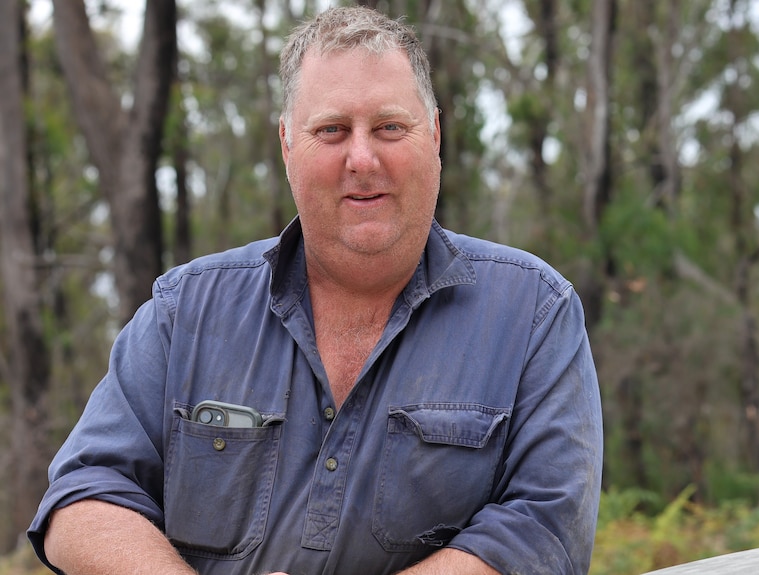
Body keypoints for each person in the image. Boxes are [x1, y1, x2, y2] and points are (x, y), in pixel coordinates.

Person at [28, 6, 603, 575]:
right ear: (286, 145)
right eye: (331, 130)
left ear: (433, 136)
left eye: (389, 128)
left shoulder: (535, 313)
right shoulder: (186, 311)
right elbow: (82, 496)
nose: (361, 158)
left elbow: (546, 531)